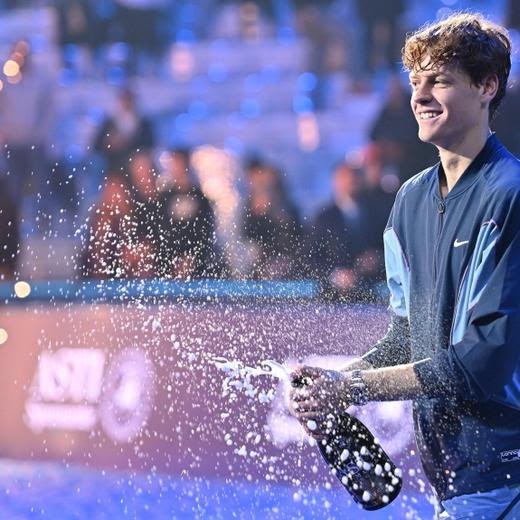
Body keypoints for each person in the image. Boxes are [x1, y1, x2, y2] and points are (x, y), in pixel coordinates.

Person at [290, 13, 520, 519]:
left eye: (439, 79)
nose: (420, 95)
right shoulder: (409, 201)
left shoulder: (510, 195)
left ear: (487, 86)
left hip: (505, 474)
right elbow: (408, 338)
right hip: (454, 479)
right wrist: (335, 387)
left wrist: (352, 387)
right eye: (415, 81)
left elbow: (484, 361)